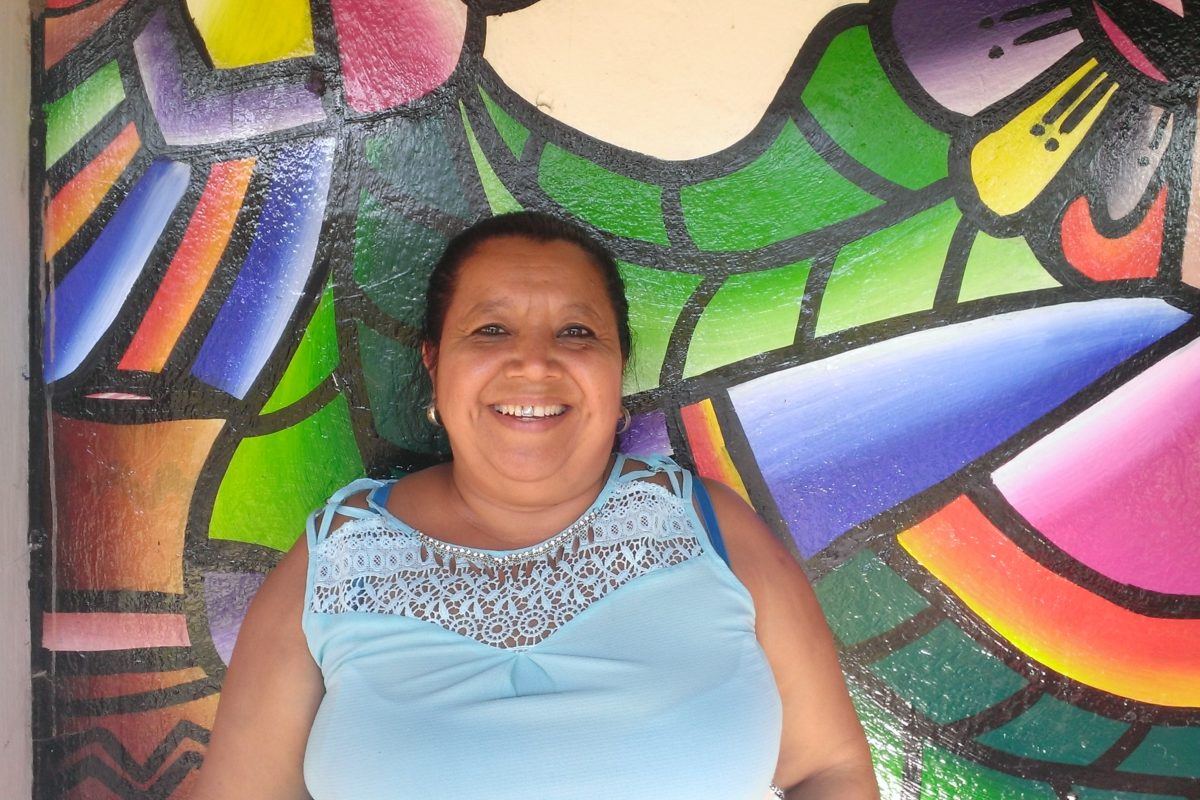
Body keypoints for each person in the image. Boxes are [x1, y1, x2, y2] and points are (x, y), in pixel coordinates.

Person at [194, 212, 879, 799]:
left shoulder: (709, 528)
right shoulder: (337, 558)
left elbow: (831, 770)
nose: (534, 364)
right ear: (434, 362)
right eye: (491, 331)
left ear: (617, 367)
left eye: (576, 333)